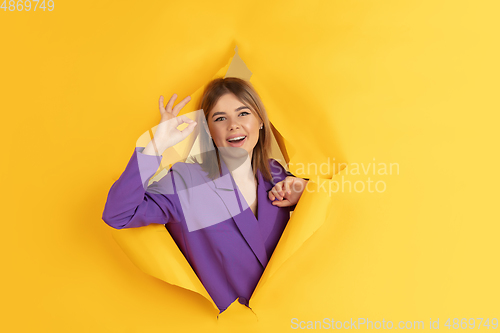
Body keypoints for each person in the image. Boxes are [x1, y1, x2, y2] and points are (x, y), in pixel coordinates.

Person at [102, 77, 308, 313]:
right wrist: (156, 145)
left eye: (243, 113)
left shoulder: (276, 174)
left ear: (260, 121)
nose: (233, 125)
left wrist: (304, 190)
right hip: (222, 324)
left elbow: (332, 203)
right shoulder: (185, 181)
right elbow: (118, 214)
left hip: (286, 315)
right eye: (220, 118)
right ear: (209, 130)